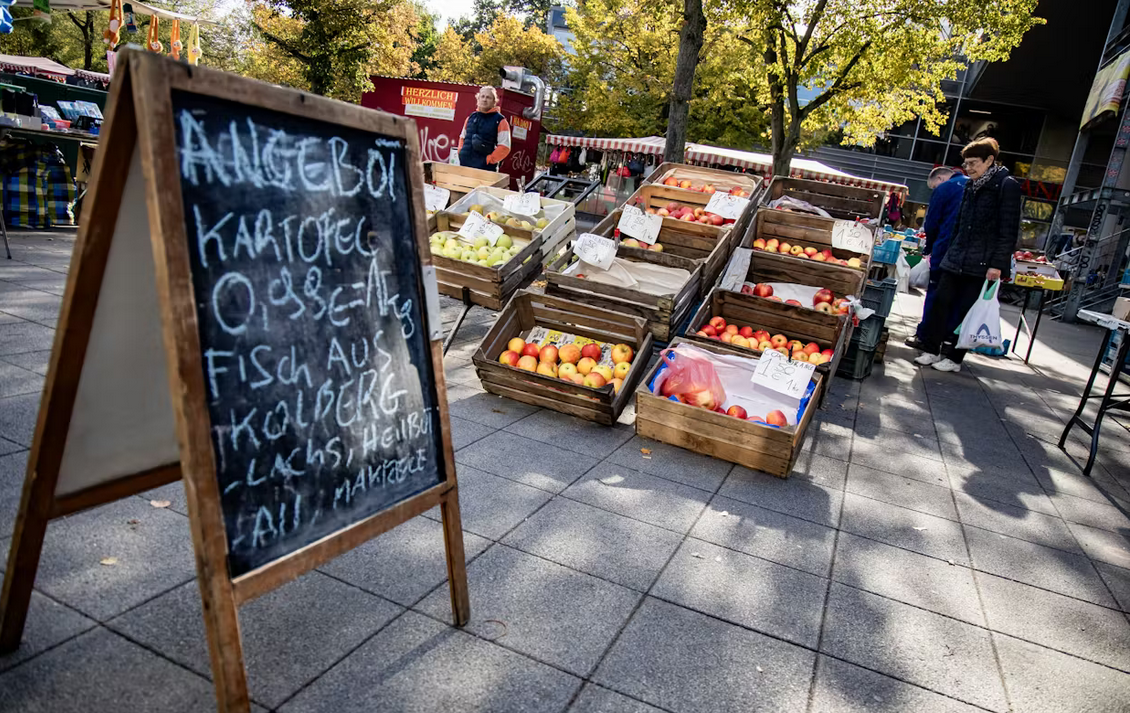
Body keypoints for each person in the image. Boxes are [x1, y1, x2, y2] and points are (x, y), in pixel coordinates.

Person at [914, 138, 1021, 372]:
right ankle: (932, 349)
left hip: (982, 261)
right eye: (966, 163)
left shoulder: (1006, 185)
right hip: (957, 255)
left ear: (989, 160)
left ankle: (954, 357)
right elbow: (960, 222)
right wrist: (950, 250)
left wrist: (997, 265)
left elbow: (1008, 229)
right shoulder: (970, 184)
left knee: (965, 309)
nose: (968, 168)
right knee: (940, 303)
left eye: (973, 163)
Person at [907, 166, 968, 348]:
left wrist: (929, 248)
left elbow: (932, 223)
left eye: (933, 187)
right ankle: (950, 337)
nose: (934, 190)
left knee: (935, 294)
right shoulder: (973, 185)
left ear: (940, 179)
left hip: (944, 249)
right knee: (958, 298)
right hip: (967, 255)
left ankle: (927, 336)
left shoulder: (945, 188)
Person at [457, 86, 511, 171]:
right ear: (478, 99)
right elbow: (462, 137)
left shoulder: (500, 120)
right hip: (464, 166)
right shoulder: (471, 117)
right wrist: (461, 152)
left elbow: (505, 147)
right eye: (482, 96)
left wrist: (489, 160)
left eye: (488, 97)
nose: (484, 99)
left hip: (485, 170)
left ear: (494, 101)